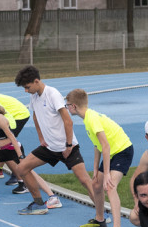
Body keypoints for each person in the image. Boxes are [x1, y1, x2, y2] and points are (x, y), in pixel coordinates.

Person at [12, 65, 98, 216]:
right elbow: (35, 116)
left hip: (67, 147)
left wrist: (69, 145)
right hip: (49, 148)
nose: (26, 91)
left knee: (85, 180)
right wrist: (41, 137)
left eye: (27, 87)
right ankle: (38, 204)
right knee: (22, 168)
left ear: (37, 81)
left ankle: (102, 214)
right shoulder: (34, 96)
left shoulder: (53, 94)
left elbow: (68, 121)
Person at [65, 89, 133, 227]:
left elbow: (106, 146)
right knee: (96, 183)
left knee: (109, 186)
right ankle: (100, 220)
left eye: (67, 105)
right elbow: (98, 145)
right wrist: (96, 168)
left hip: (122, 150)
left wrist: (107, 173)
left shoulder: (91, 118)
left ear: (74, 106)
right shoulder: (88, 118)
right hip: (112, 152)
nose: (67, 108)